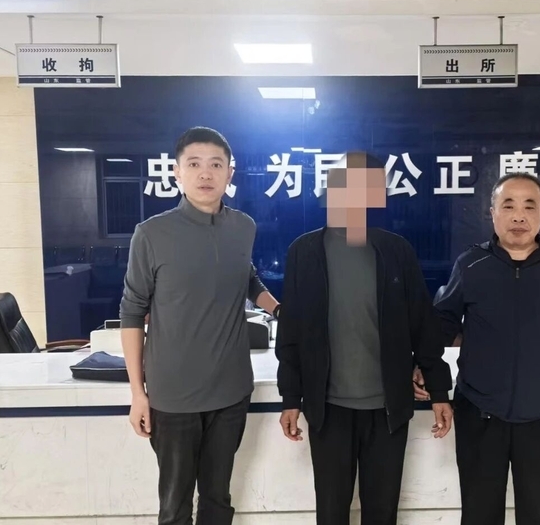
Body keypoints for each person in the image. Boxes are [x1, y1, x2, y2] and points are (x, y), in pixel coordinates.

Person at [275, 151, 453, 525]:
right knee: (331, 513)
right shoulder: (304, 252)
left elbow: (422, 325)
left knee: (382, 514)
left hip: (387, 409)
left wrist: (439, 390)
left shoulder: (395, 251)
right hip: (328, 410)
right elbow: (291, 333)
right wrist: (291, 397)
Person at [119, 127, 280, 525]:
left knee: (218, 501)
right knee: (175, 507)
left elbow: (248, 278)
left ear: (229, 173)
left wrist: (278, 309)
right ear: (176, 172)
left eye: (215, 165)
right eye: (194, 164)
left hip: (231, 390)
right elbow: (132, 312)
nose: (205, 173)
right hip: (173, 397)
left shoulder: (243, 226)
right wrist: (138, 393)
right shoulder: (151, 234)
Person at [433, 172, 540, 525]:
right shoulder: (471, 264)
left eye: (529, 206)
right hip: (479, 412)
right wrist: (427, 374)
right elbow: (441, 326)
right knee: (478, 515)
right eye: (508, 206)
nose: (519, 216)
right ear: (492, 212)